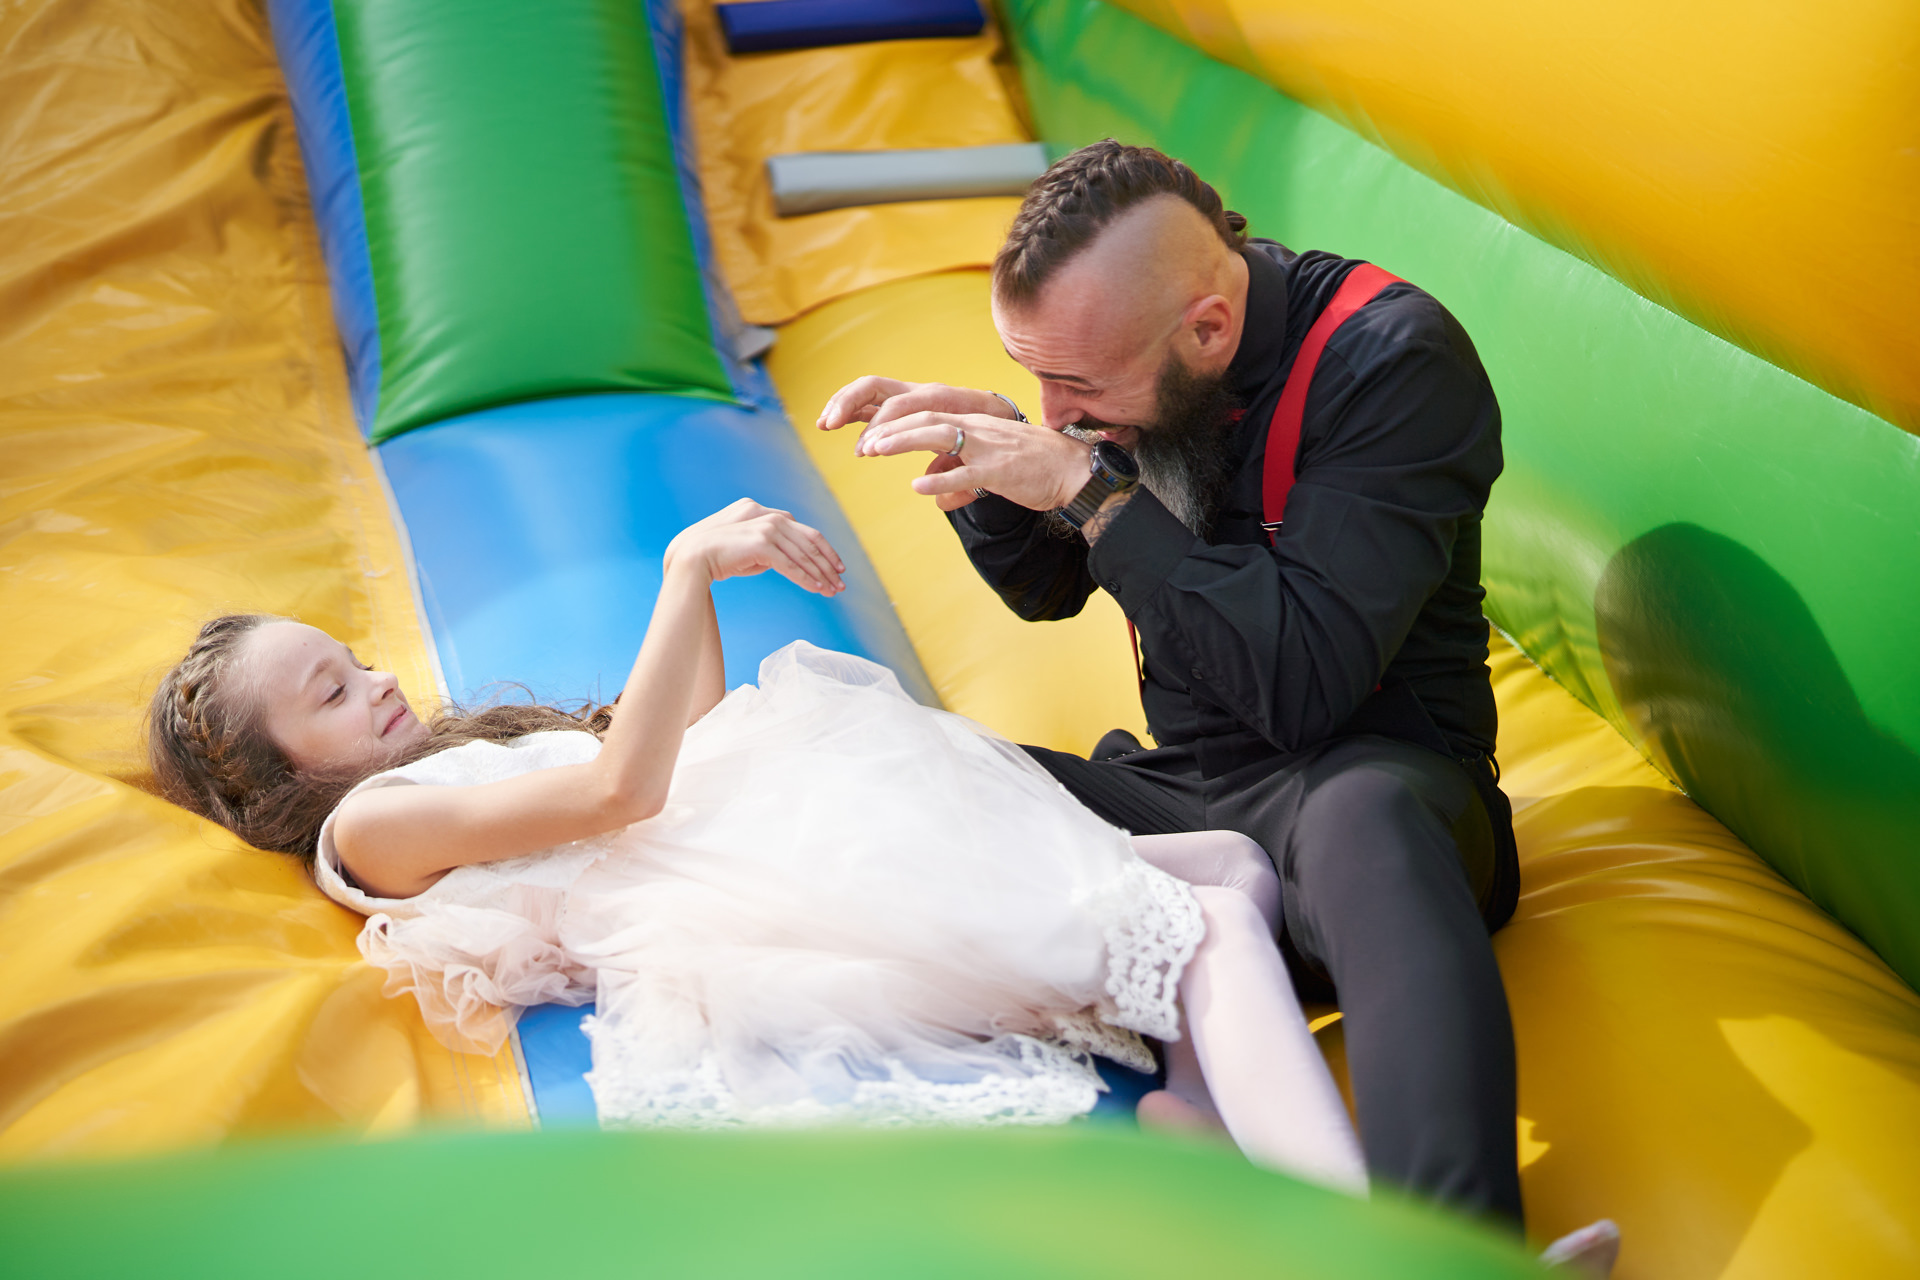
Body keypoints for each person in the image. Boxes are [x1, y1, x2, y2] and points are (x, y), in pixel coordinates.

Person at [146, 497, 1367, 1191]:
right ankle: (1354, 1228)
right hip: (774, 896)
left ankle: (1196, 1101)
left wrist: (707, 591)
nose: (374, 680)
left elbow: (687, 734)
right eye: (330, 692)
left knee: (1231, 864)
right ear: (278, 777)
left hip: (773, 833)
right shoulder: (370, 823)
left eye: (352, 658)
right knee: (1213, 910)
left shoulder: (442, 763)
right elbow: (624, 790)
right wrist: (683, 571)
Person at [817, 140, 1527, 1227]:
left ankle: (1456, 1243)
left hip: (1372, 802)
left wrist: (1090, 491)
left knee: (1364, 815)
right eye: (1034, 377)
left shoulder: (1390, 361)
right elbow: (1050, 589)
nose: (1056, 410)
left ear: (1208, 329)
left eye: (1079, 385)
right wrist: (991, 468)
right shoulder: (1134, 368)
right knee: (894, 757)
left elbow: (1307, 683)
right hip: (1188, 795)